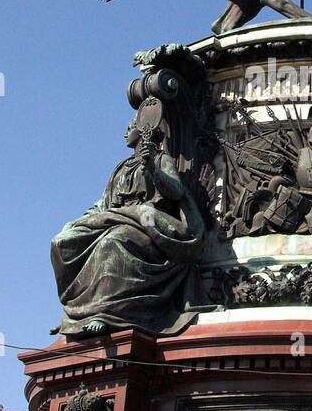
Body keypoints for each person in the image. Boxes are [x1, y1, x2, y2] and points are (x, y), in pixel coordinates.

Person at [50, 115, 210, 337]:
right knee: (62, 243)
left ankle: (105, 313)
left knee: (112, 243)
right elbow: (103, 204)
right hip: (118, 218)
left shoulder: (160, 159)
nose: (125, 132)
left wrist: (153, 169)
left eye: (129, 127)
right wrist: (77, 223)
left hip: (146, 224)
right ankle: (76, 314)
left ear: (143, 130)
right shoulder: (121, 168)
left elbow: (176, 191)